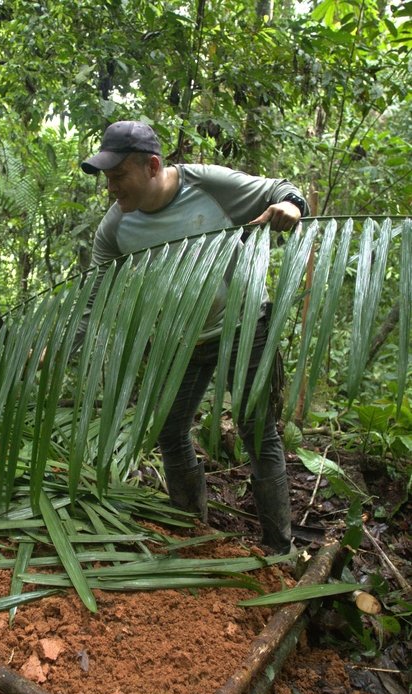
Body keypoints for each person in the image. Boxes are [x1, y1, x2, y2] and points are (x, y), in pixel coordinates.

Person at [80, 120, 309, 554]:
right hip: (179, 339)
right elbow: (93, 300)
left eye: (118, 176)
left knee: (257, 434)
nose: (111, 188)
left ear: (152, 166)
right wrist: (52, 346)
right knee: (170, 431)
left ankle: (280, 552)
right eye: (107, 178)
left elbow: (283, 190)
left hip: (243, 326)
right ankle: (192, 537)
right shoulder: (114, 229)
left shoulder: (207, 185)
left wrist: (291, 206)